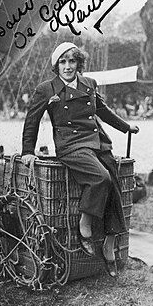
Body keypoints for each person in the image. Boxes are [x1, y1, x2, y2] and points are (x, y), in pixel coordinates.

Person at [21, 42, 139, 277]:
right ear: (56, 65)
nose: (67, 66)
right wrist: (27, 150)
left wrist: (126, 127)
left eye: (72, 61)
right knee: (101, 178)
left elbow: (102, 111)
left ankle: (109, 244)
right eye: (62, 62)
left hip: (96, 140)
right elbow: (31, 121)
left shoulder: (89, 84)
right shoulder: (47, 89)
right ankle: (84, 226)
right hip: (71, 145)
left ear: (78, 63)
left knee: (113, 181)